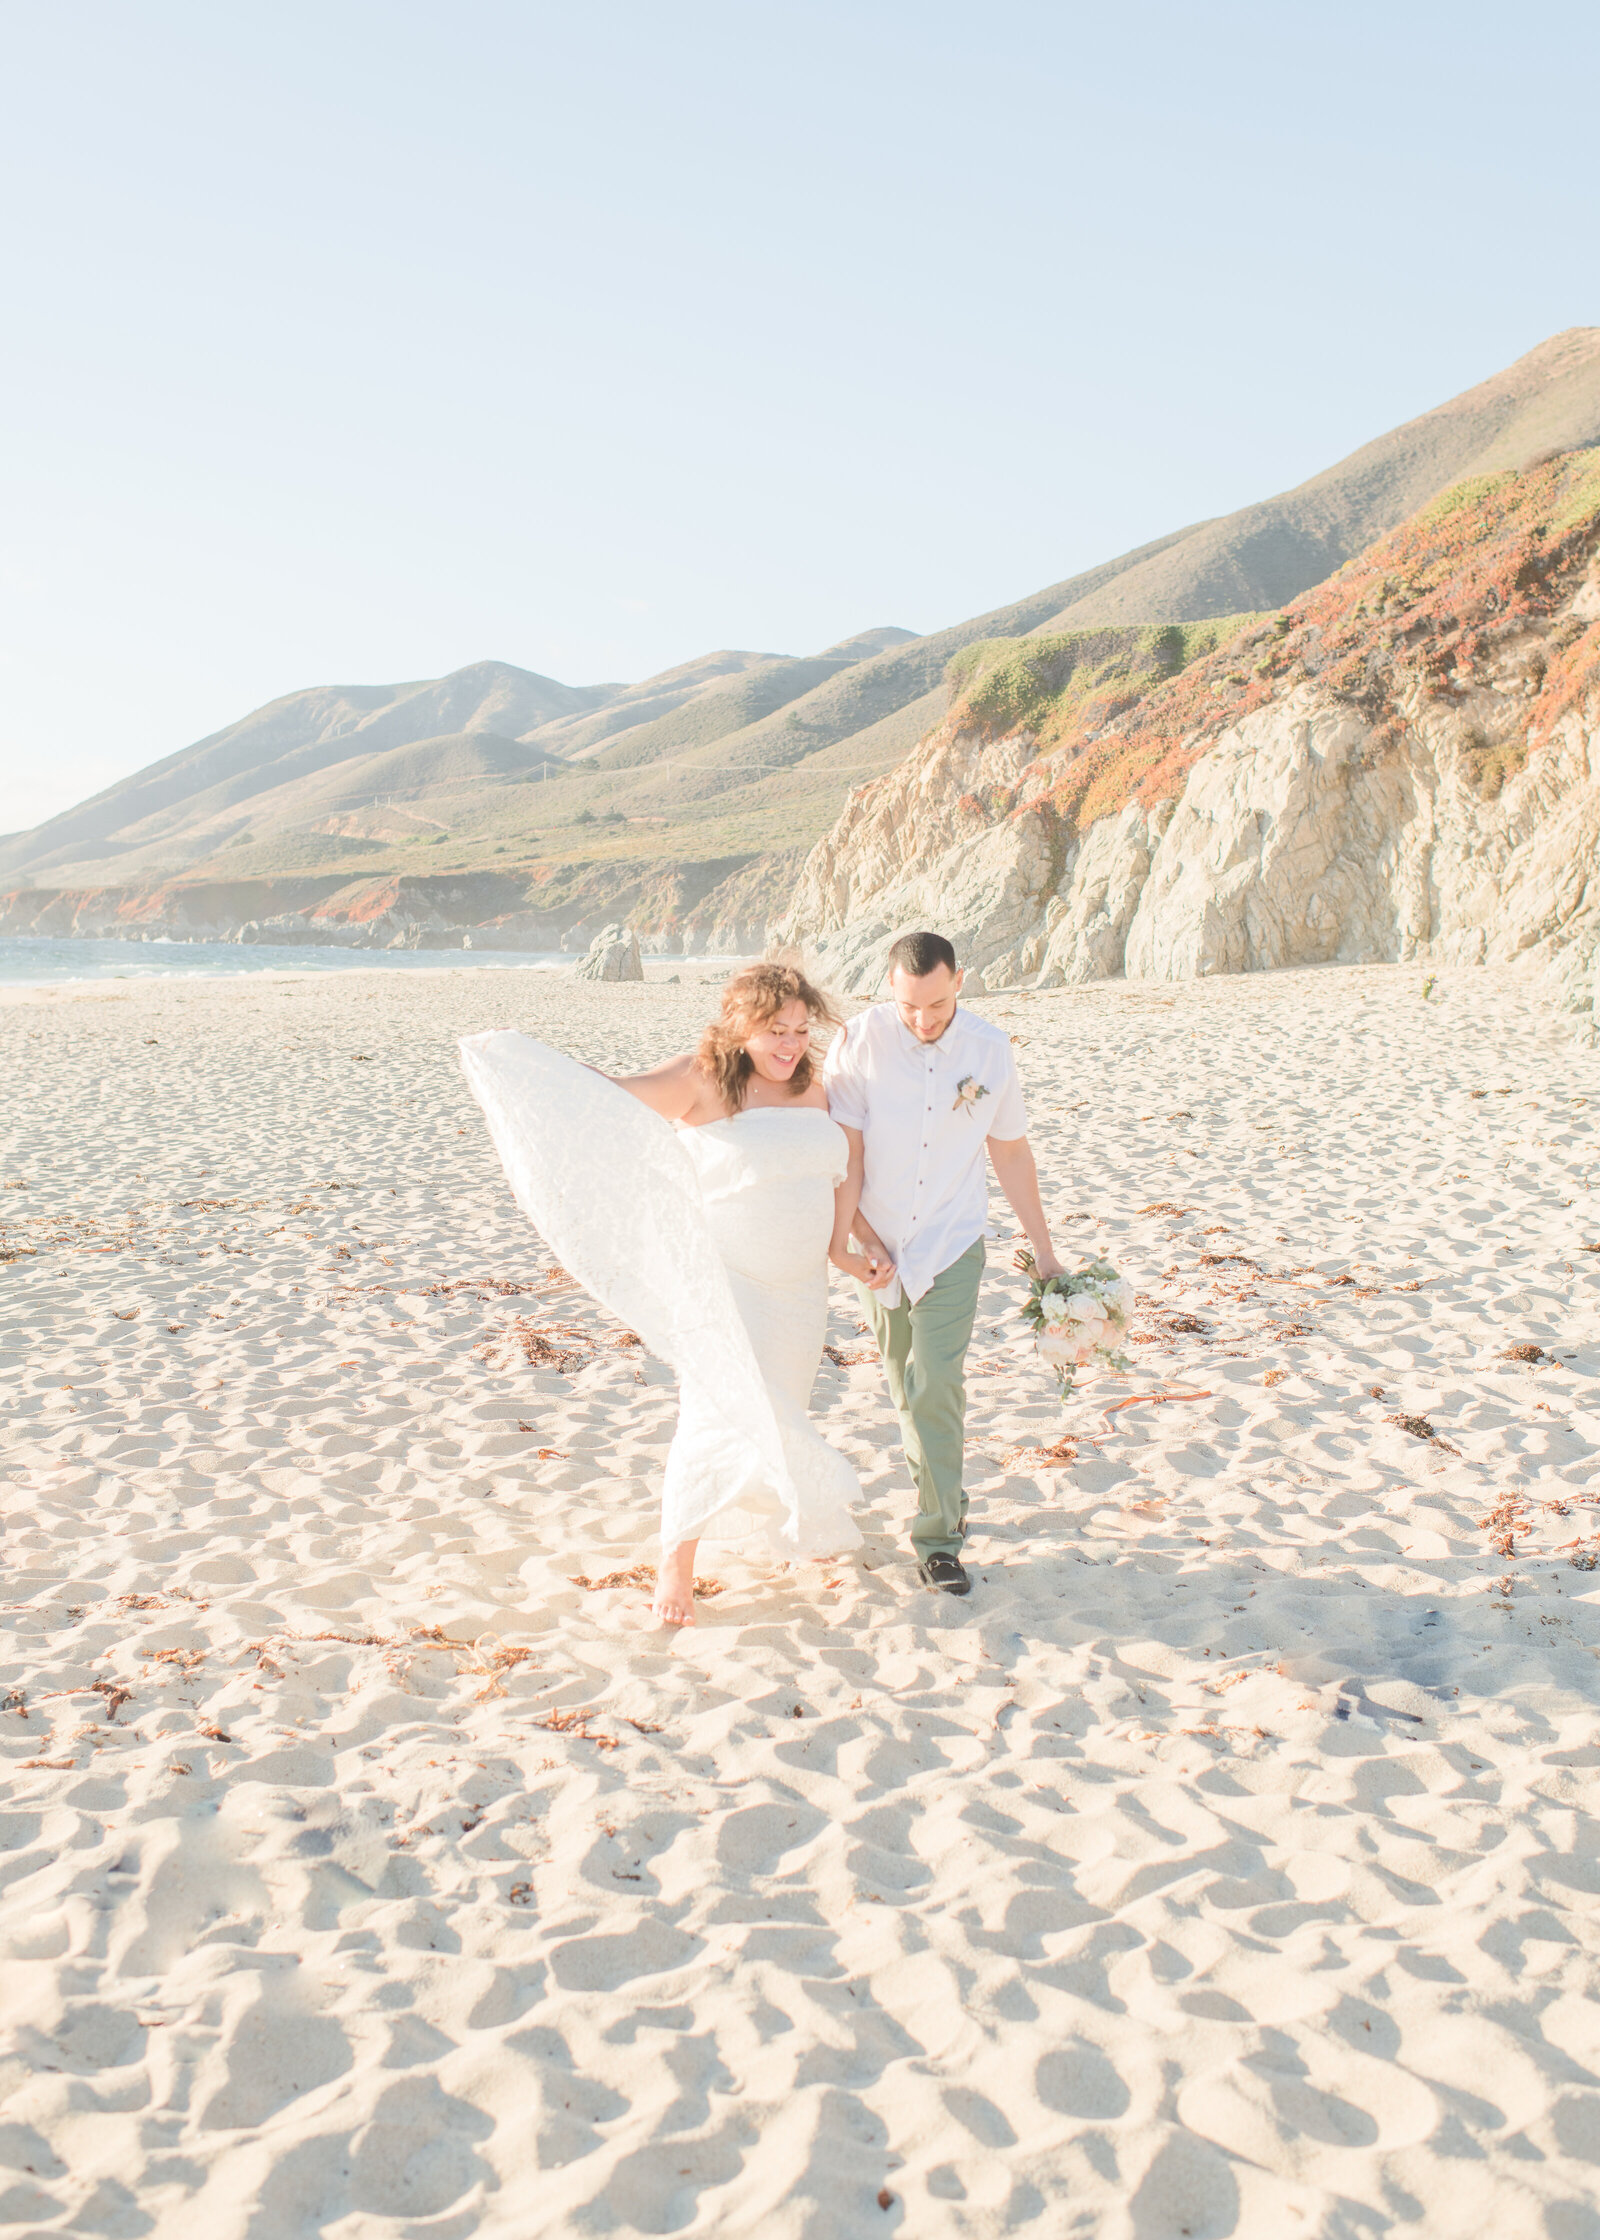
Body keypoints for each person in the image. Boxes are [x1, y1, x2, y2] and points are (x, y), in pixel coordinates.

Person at [459, 962, 893, 1629]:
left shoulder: (816, 1089)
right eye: (776, 1031)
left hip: (800, 1289)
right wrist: (523, 1059)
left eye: (802, 1031)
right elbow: (602, 1100)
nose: (791, 1046)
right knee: (717, 1410)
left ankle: (784, 1533)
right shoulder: (700, 1079)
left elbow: (842, 1173)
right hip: (728, 1282)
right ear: (740, 1026)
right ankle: (676, 1560)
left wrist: (844, 1246)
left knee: (786, 1408)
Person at [824, 929, 1064, 1596]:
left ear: (960, 980)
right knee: (904, 1386)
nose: (922, 1021)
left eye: (935, 1004)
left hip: (953, 1241)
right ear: (889, 991)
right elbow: (845, 1156)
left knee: (934, 1382)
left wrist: (1044, 1252)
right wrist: (854, 1242)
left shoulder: (990, 1050)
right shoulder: (858, 1043)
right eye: (908, 1007)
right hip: (879, 1244)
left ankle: (937, 1540)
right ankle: (947, 1497)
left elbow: (1010, 1153)